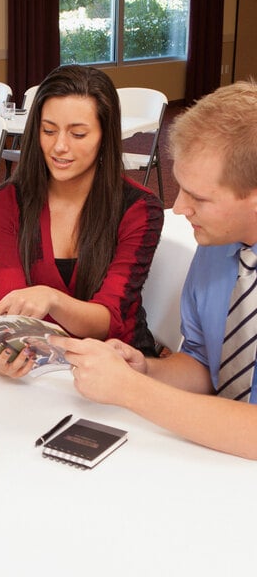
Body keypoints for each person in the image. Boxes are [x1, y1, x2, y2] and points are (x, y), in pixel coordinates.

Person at [53, 79, 257, 459]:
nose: (178, 208)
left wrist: (133, 391)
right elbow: (204, 365)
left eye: (198, 197)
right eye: (180, 187)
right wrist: (143, 371)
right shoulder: (217, 246)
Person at [0, 64, 164, 378]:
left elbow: (109, 318)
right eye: (48, 130)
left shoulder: (138, 208)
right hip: (41, 363)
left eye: (78, 134)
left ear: (105, 136)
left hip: (118, 365)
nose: (59, 147)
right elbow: (7, 298)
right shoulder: (9, 200)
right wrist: (3, 349)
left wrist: (51, 298)